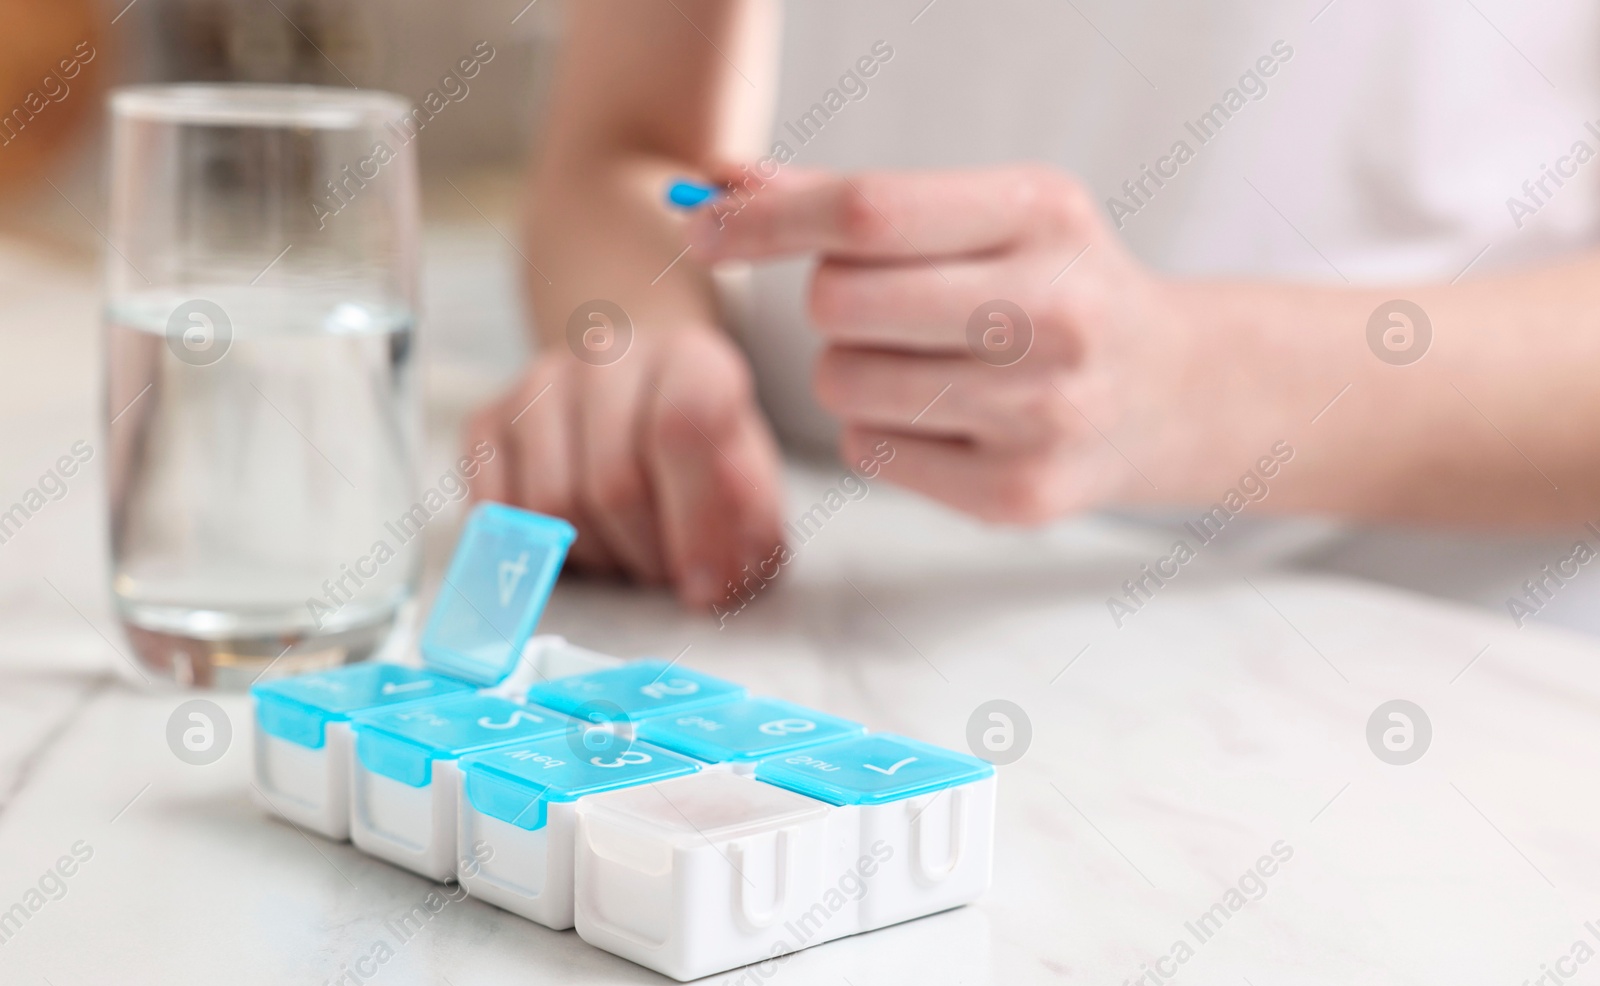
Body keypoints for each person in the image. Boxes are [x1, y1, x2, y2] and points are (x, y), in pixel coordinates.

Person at [467, 0, 1600, 609]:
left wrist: (1187, 383)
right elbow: (619, 153)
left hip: (1417, 659)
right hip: (815, 592)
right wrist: (642, 340)